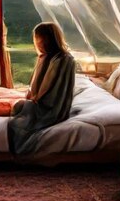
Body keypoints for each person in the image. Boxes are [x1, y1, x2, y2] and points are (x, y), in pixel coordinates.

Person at [7, 22, 75, 157]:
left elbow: (43, 92)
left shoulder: (62, 60)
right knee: (16, 105)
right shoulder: (48, 57)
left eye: (39, 39)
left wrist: (30, 99)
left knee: (16, 113)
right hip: (44, 103)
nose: (37, 43)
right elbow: (34, 88)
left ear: (48, 39)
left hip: (51, 109)